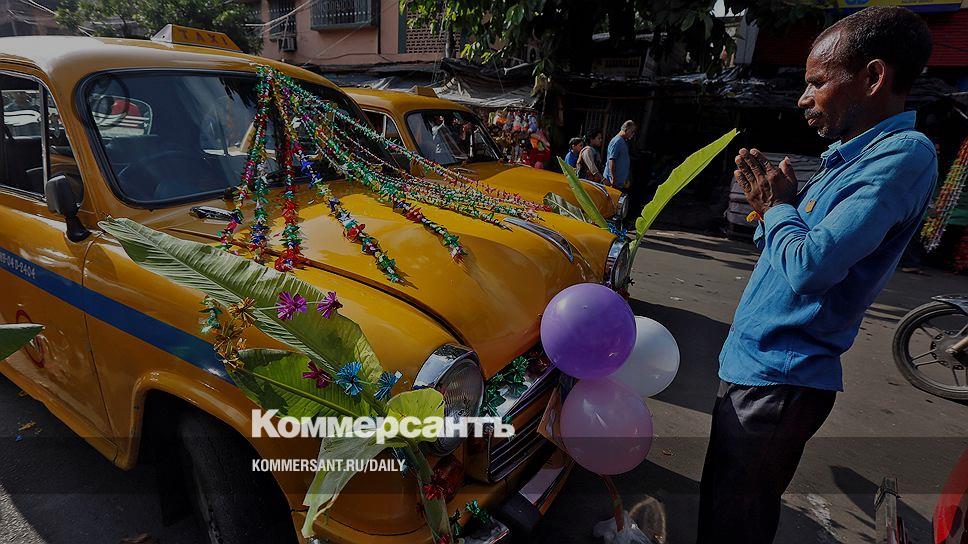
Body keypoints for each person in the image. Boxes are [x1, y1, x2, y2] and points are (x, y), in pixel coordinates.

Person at [697, 7, 936, 544]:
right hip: (754, 365)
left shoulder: (903, 156)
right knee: (722, 507)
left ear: (873, 77)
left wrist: (777, 209)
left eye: (817, 82)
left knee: (734, 523)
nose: (803, 98)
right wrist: (772, 210)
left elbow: (810, 267)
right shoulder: (845, 160)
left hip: (782, 375)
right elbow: (784, 252)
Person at [604, 120, 636, 190]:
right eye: (632, 132)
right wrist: (613, 177)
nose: (633, 134)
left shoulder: (623, 141)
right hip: (613, 182)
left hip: (619, 183)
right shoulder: (617, 141)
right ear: (626, 129)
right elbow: (611, 160)